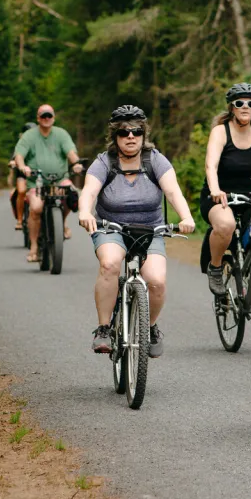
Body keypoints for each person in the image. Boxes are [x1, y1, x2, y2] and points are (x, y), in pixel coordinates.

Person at [77, 105, 196, 357]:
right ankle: (103, 329)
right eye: (124, 132)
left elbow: (173, 192)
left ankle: (149, 327)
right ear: (115, 136)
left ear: (144, 134)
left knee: (157, 281)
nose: (131, 137)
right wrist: (86, 212)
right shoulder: (104, 162)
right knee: (109, 264)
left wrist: (186, 216)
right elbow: (88, 191)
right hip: (111, 227)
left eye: (137, 131)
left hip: (149, 229)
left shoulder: (155, 160)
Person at [200, 83, 251, 294]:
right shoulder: (220, 132)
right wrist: (215, 190)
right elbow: (211, 165)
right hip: (221, 196)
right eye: (239, 103)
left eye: (250, 103)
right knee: (226, 225)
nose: (245, 107)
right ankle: (215, 267)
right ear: (231, 108)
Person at [14, 104, 85, 263]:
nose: (46, 119)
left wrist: (76, 164)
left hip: (60, 178)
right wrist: (22, 166)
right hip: (36, 182)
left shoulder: (61, 134)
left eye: (49, 116)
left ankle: (62, 221)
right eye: (43, 116)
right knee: (36, 208)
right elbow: (19, 155)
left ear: (53, 118)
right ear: (38, 118)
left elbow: (71, 153)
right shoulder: (29, 136)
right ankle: (33, 246)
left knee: (72, 195)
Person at [9, 121, 36, 230]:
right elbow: (14, 157)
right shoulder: (20, 145)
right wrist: (12, 162)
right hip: (23, 175)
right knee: (21, 191)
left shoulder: (41, 144)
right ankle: (20, 220)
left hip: (38, 176)